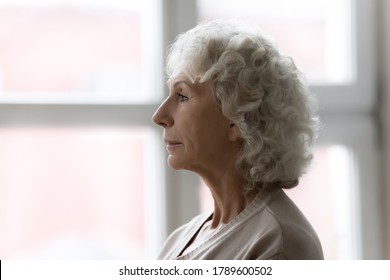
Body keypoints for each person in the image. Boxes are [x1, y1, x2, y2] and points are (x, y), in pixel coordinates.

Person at [152, 19, 323, 260]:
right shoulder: (178, 240)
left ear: (237, 118)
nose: (159, 116)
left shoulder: (278, 244)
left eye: (182, 96)